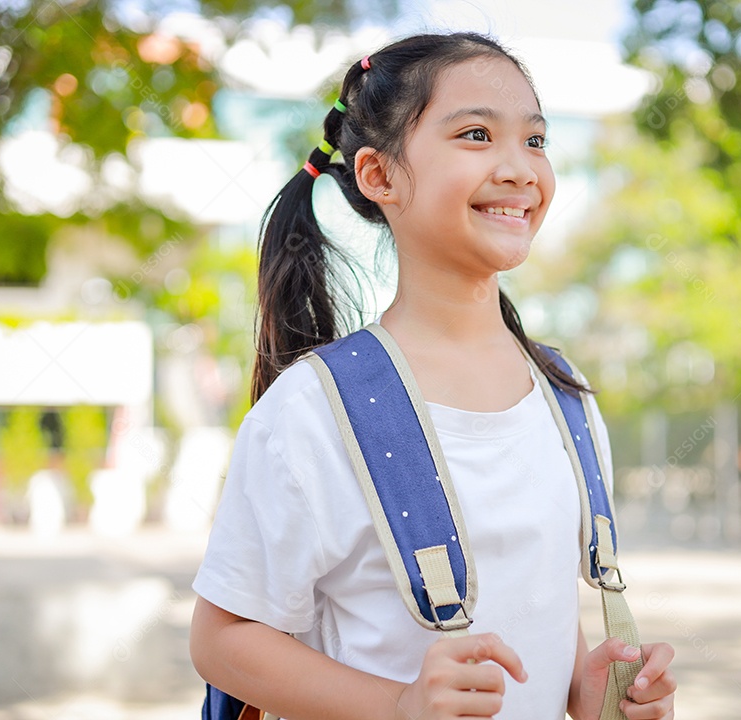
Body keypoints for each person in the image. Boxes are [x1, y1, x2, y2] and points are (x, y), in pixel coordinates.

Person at [189, 31, 677, 720]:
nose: (519, 168)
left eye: (535, 141)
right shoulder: (314, 409)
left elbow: (532, 604)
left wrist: (586, 691)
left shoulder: (565, 395)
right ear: (379, 176)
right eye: (477, 135)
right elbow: (222, 640)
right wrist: (400, 703)